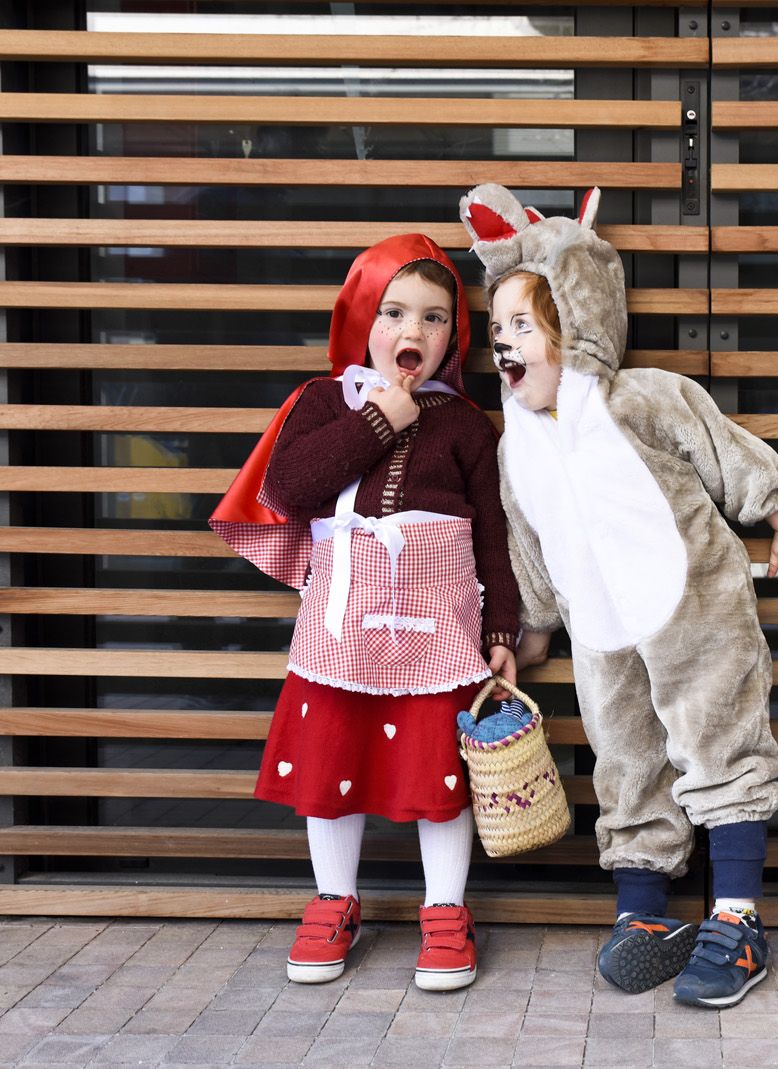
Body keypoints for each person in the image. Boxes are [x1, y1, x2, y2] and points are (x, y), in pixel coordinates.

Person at [459, 184, 778, 1009]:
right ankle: (644, 914)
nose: (507, 345)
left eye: (526, 325)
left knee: (719, 742)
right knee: (625, 764)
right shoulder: (517, 444)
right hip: (602, 631)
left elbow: (723, 447)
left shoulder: (640, 397)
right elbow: (526, 538)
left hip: (694, 608)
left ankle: (737, 916)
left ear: (576, 320)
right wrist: (537, 623)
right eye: (498, 329)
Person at [208, 235, 519, 992]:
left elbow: (493, 532)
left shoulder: (468, 426)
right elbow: (290, 486)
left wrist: (503, 631)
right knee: (330, 761)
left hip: (439, 630)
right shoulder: (323, 402)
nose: (413, 332)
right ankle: (334, 898)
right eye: (394, 312)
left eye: (435, 318)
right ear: (360, 318)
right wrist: (381, 419)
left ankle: (446, 909)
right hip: (340, 629)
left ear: (454, 336)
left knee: (438, 768)